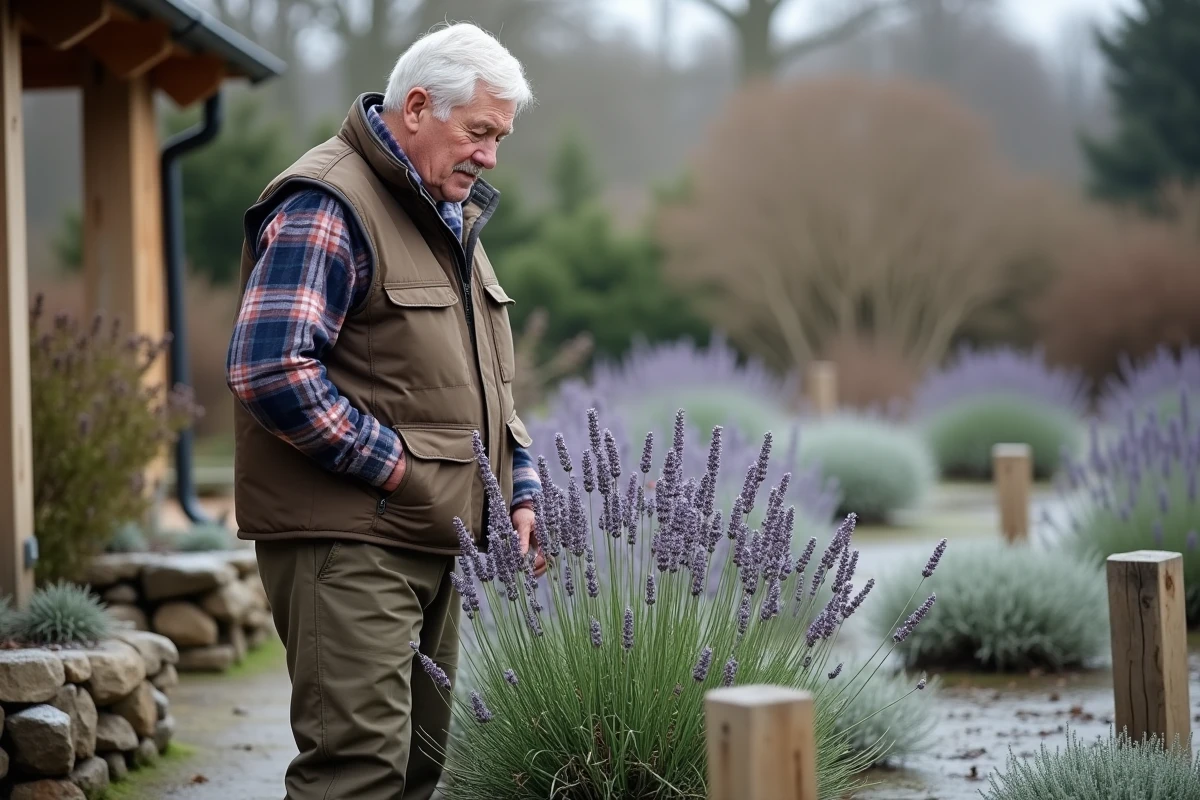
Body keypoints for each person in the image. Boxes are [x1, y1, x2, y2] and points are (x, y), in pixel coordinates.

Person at [225, 23, 541, 800]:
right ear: (419, 108)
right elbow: (270, 368)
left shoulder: (446, 215)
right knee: (357, 774)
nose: (490, 156)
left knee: (416, 769)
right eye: (479, 133)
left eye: (500, 138)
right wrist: (397, 469)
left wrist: (520, 487)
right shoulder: (328, 203)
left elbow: (481, 384)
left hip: (429, 536)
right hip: (350, 543)